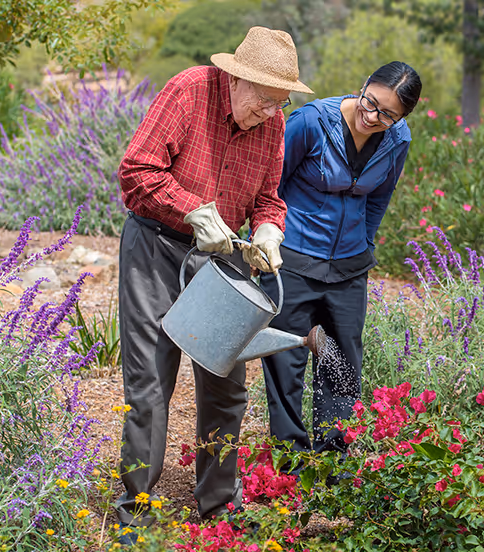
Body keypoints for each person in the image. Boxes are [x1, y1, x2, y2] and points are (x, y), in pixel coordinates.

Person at [114, 26, 313, 531]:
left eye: (280, 104)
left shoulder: (271, 122)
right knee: (151, 384)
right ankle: (136, 510)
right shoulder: (189, 91)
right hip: (157, 245)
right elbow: (137, 172)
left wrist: (269, 232)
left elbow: (269, 197)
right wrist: (193, 213)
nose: (272, 114)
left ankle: (219, 505)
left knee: (226, 384)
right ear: (238, 79)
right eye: (266, 102)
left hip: (222, 260)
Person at [260, 62, 422, 459]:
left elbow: (379, 198)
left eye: (387, 114)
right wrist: (265, 242)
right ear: (363, 85)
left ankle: (334, 466)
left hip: (349, 269)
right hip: (293, 260)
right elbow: (270, 185)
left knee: (341, 367)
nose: (373, 117)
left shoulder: (397, 139)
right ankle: (290, 466)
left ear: (402, 117)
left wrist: (364, 242)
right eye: (371, 102)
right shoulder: (311, 121)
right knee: (286, 363)